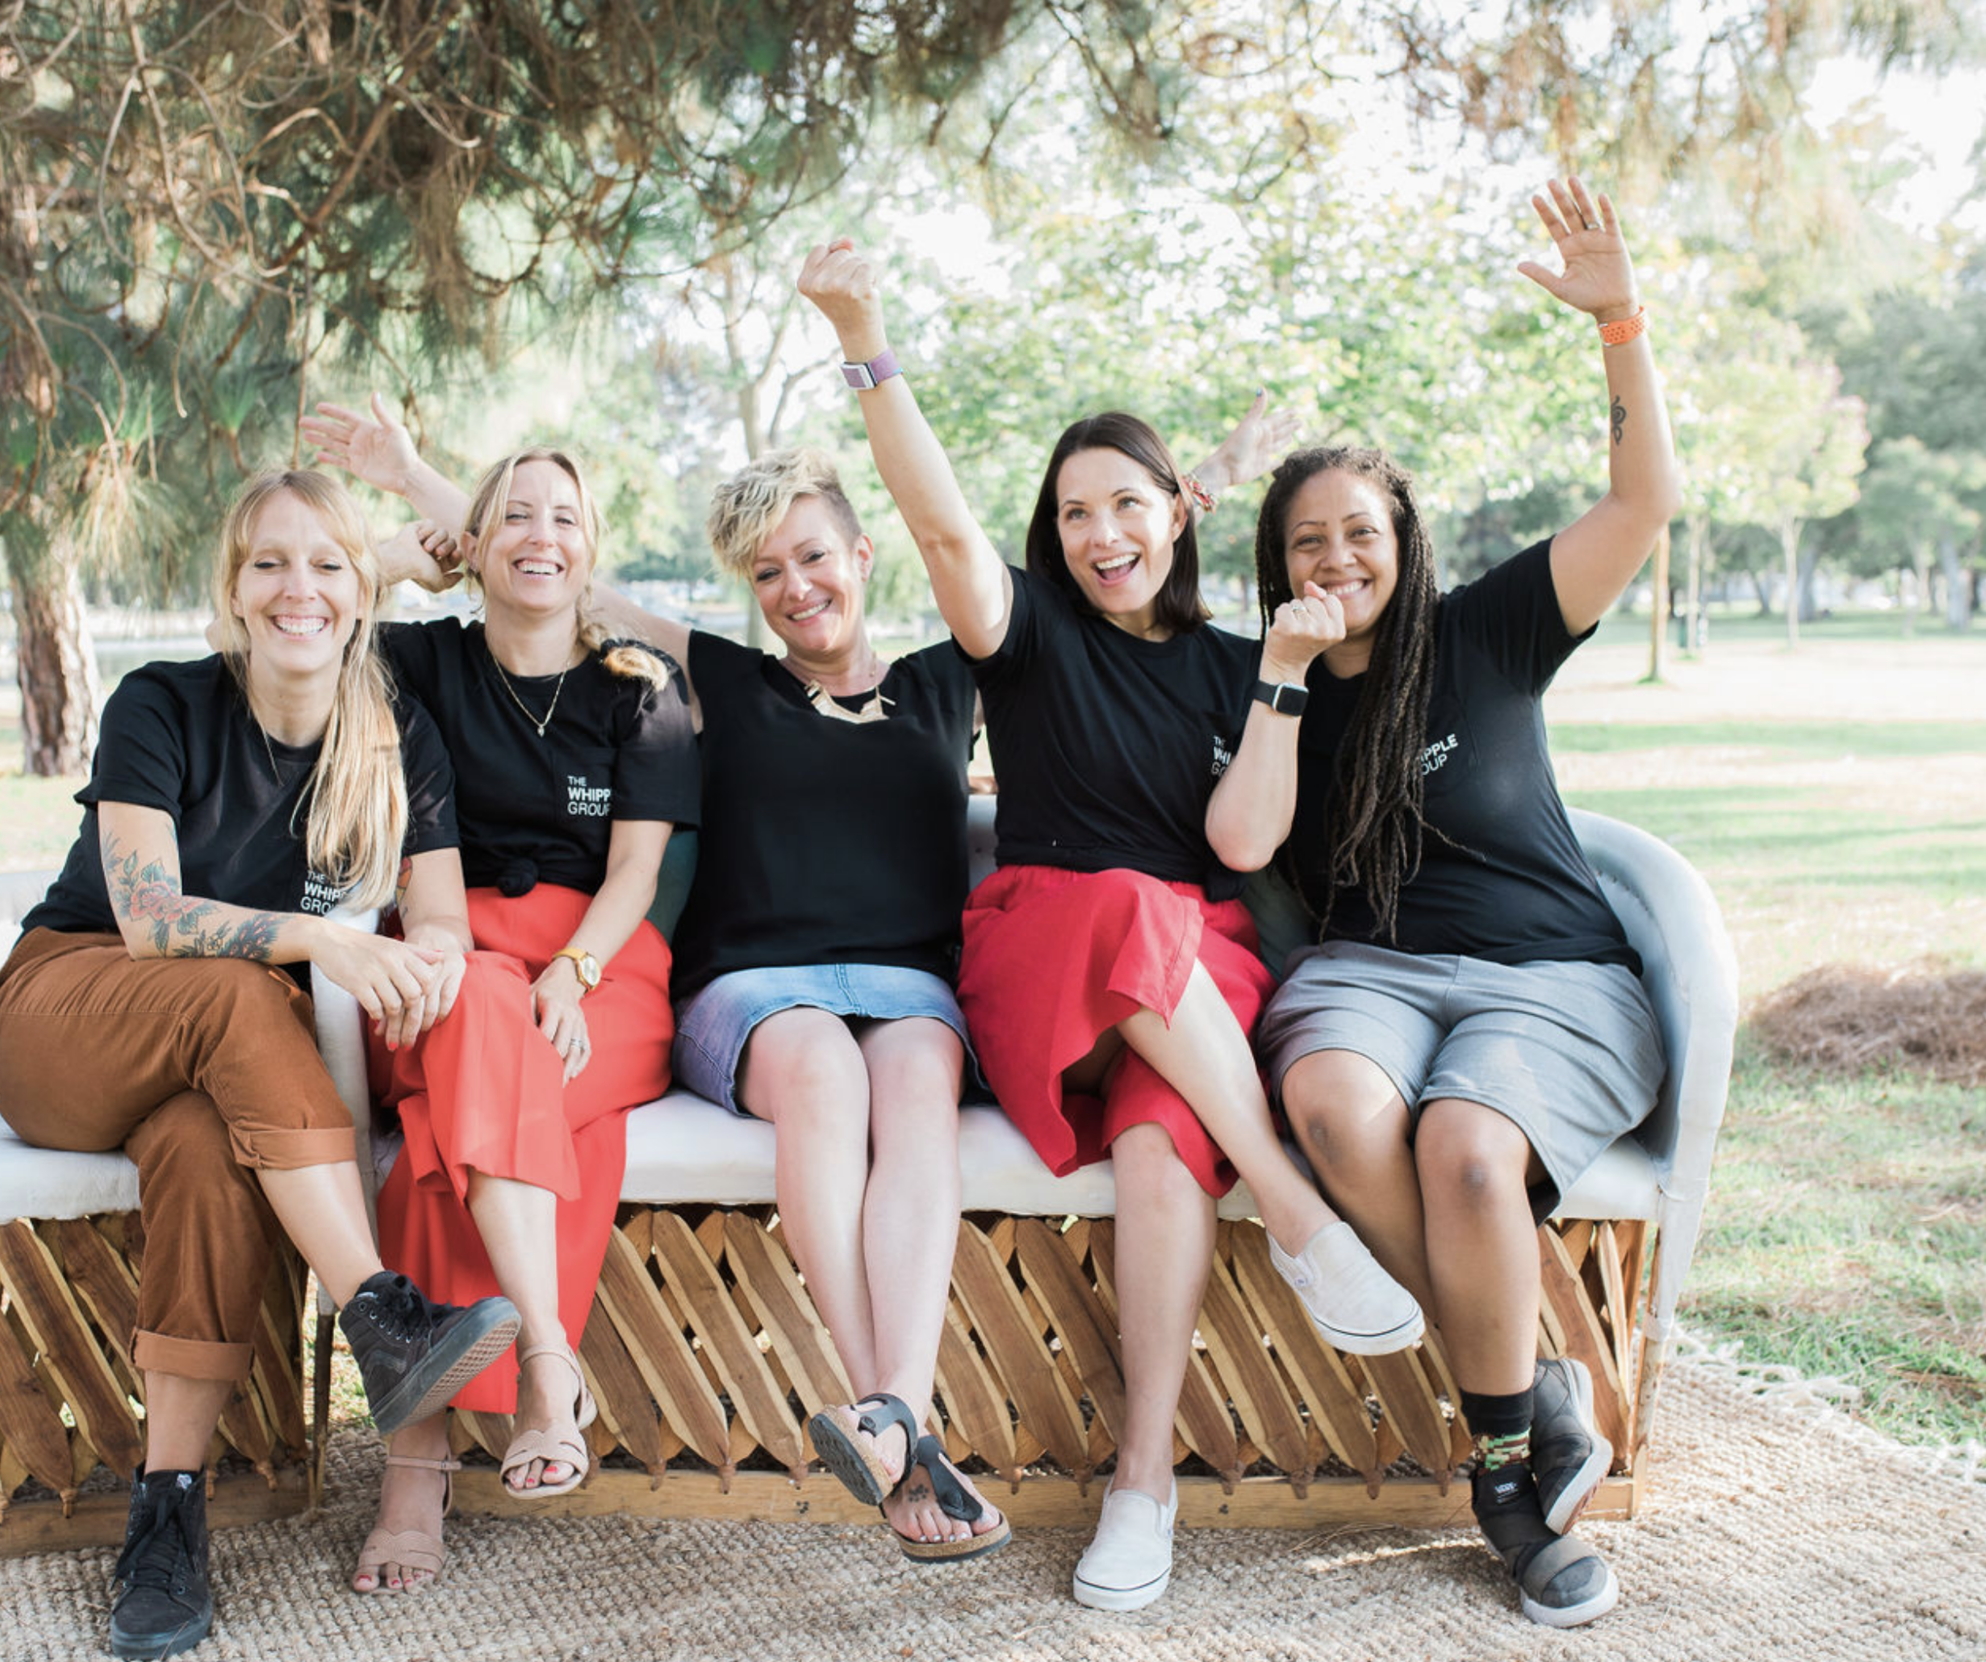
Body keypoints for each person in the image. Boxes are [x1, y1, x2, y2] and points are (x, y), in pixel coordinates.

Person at [797, 242, 1425, 1613]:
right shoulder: (1019, 633)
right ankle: (1298, 1204)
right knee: (1125, 904)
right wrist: (869, 346)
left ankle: (1141, 1483)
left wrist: (1278, 681)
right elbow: (947, 527)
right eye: (1075, 511)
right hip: (1039, 942)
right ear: (1052, 530)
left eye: (1128, 505)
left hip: (1190, 974)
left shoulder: (1228, 655)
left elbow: (1246, 844)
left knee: (1158, 1148)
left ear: (1178, 512)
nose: (1102, 534)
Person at [1214, 179, 1682, 1629]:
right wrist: (1282, 678)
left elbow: (1643, 500)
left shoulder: (1488, 628)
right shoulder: (1272, 680)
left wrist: (1618, 317)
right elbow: (1246, 843)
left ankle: (1497, 1468)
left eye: (1360, 533)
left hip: (1552, 979)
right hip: (1370, 978)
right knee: (1349, 1114)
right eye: (1307, 542)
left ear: (1403, 538)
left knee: (1470, 1152)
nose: (1337, 561)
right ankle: (1536, 1394)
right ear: (1276, 564)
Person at [0, 470, 519, 1659]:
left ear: (362, 590)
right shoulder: (161, 705)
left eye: (327, 564)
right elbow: (152, 923)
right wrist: (325, 936)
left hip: (223, 1063)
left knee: (211, 1162)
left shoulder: (393, 735)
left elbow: (441, 917)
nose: (299, 589)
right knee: (236, 987)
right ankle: (378, 1312)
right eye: (268, 564)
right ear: (230, 590)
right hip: (65, 1013)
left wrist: (427, 959)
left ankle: (165, 1518)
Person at [298, 406, 697, 1591]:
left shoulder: (642, 685)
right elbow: (302, 610)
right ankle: (547, 1368)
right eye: (512, 514)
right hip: (446, 951)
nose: (540, 535)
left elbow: (634, 873)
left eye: (562, 517)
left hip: (600, 963)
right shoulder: (418, 661)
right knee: (473, 1025)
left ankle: (411, 1488)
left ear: (591, 546)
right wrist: (393, 553)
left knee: (436, 1139)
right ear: (471, 540)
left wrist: (572, 973)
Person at [579, 446, 1004, 1559]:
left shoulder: (945, 679)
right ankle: (897, 1415)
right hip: (757, 987)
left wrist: (1192, 484)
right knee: (825, 1072)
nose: (796, 587)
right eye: (766, 573)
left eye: (812, 556)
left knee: (914, 1079)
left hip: (908, 981)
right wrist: (423, 485)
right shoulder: (727, 679)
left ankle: (888, 1420)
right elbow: (574, 586)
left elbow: (1067, 583)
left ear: (862, 554)